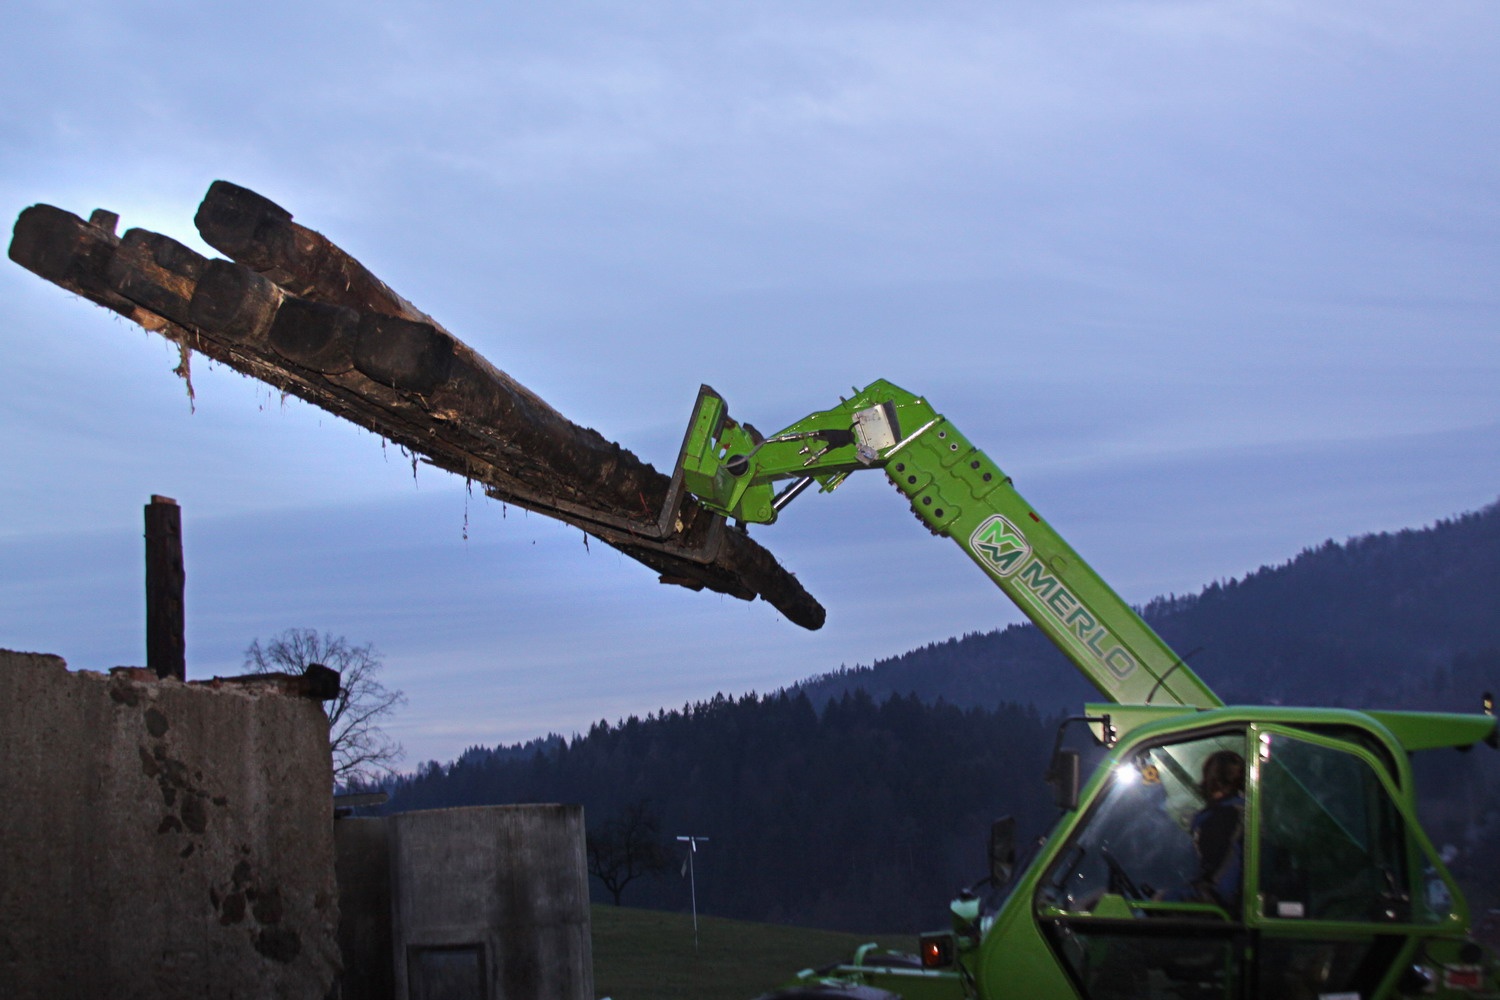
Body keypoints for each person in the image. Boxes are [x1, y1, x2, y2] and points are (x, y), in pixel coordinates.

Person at [1186, 749, 1245, 909]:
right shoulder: (1246, 813)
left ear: (1210, 779)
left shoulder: (1218, 818)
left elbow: (1207, 876)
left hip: (1219, 911)